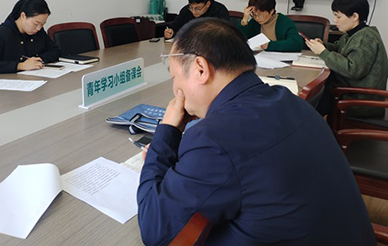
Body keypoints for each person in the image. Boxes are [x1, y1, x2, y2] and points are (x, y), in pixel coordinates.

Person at [137, 18, 374, 246]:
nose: (175, 89)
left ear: (200, 69)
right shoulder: (289, 100)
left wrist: (167, 132)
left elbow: (155, 231)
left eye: (174, 77)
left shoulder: (213, 139)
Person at [306, 0, 388, 117]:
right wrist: (323, 45)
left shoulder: (365, 38)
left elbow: (352, 70)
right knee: (315, 96)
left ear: (354, 16)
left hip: (360, 101)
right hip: (351, 93)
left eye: (338, 16)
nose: (335, 20)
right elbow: (338, 49)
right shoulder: (353, 33)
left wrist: (322, 52)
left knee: (313, 98)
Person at [0, 0, 61, 74]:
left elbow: (55, 50)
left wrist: (37, 60)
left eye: (42, 24)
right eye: (36, 24)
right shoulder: (4, 32)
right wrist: (20, 66)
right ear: (23, 16)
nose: (38, 28)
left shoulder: (38, 31)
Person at [238, 0, 303, 51]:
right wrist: (244, 21)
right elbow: (239, 41)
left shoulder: (284, 22)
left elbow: (297, 43)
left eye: (260, 14)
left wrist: (269, 45)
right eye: (254, 14)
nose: (256, 18)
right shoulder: (254, 22)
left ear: (271, 11)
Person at [164, 0, 229, 39]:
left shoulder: (220, 11)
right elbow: (175, 26)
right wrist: (170, 32)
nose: (194, 12)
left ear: (208, 4)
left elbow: (225, 35)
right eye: (191, 7)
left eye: (198, 9)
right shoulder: (186, 10)